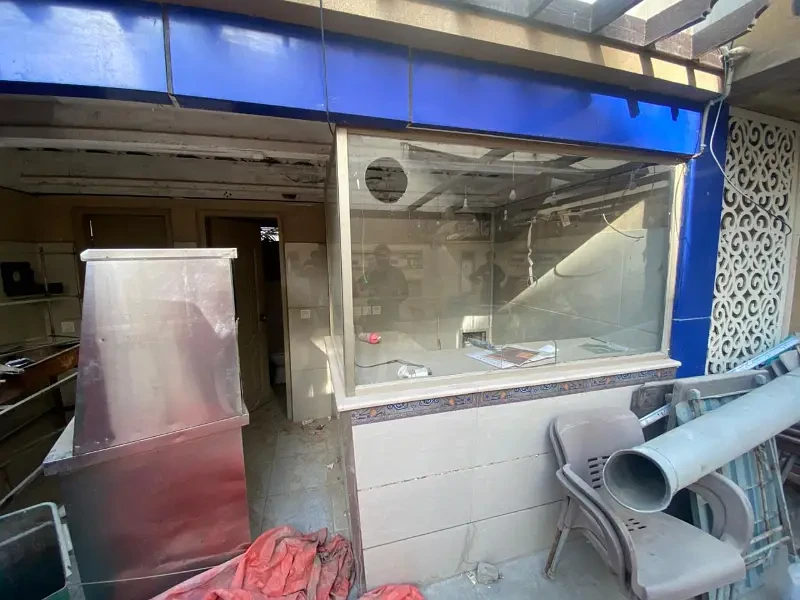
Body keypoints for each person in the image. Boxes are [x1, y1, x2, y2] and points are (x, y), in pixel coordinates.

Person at [360, 244, 409, 321]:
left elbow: (405, 293)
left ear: (389, 256)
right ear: (376, 257)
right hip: (374, 314)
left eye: (385, 255)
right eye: (380, 255)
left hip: (391, 314)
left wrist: (392, 300)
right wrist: (369, 271)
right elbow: (360, 287)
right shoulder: (371, 273)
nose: (383, 258)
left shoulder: (396, 273)